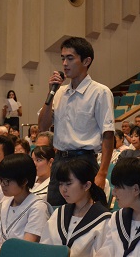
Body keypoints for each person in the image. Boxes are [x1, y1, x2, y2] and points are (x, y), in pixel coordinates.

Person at [38, 36, 115, 206]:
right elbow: (42, 126)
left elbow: (108, 136)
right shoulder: (59, 92)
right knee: (56, 213)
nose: (64, 63)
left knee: (87, 215)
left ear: (86, 61)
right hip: (59, 161)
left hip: (84, 161)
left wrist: (102, 173)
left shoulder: (100, 92)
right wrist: (50, 93)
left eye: (70, 58)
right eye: (63, 58)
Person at [40, 159, 111, 256]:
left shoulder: (104, 220)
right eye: (61, 184)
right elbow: (44, 249)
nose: (63, 189)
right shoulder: (59, 213)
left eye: (68, 184)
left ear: (86, 185)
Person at [0, 154, 53, 253]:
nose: (2, 184)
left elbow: (25, 248)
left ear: (24, 181)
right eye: (0, 180)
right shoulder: (1, 206)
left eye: (6, 181)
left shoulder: (38, 207)